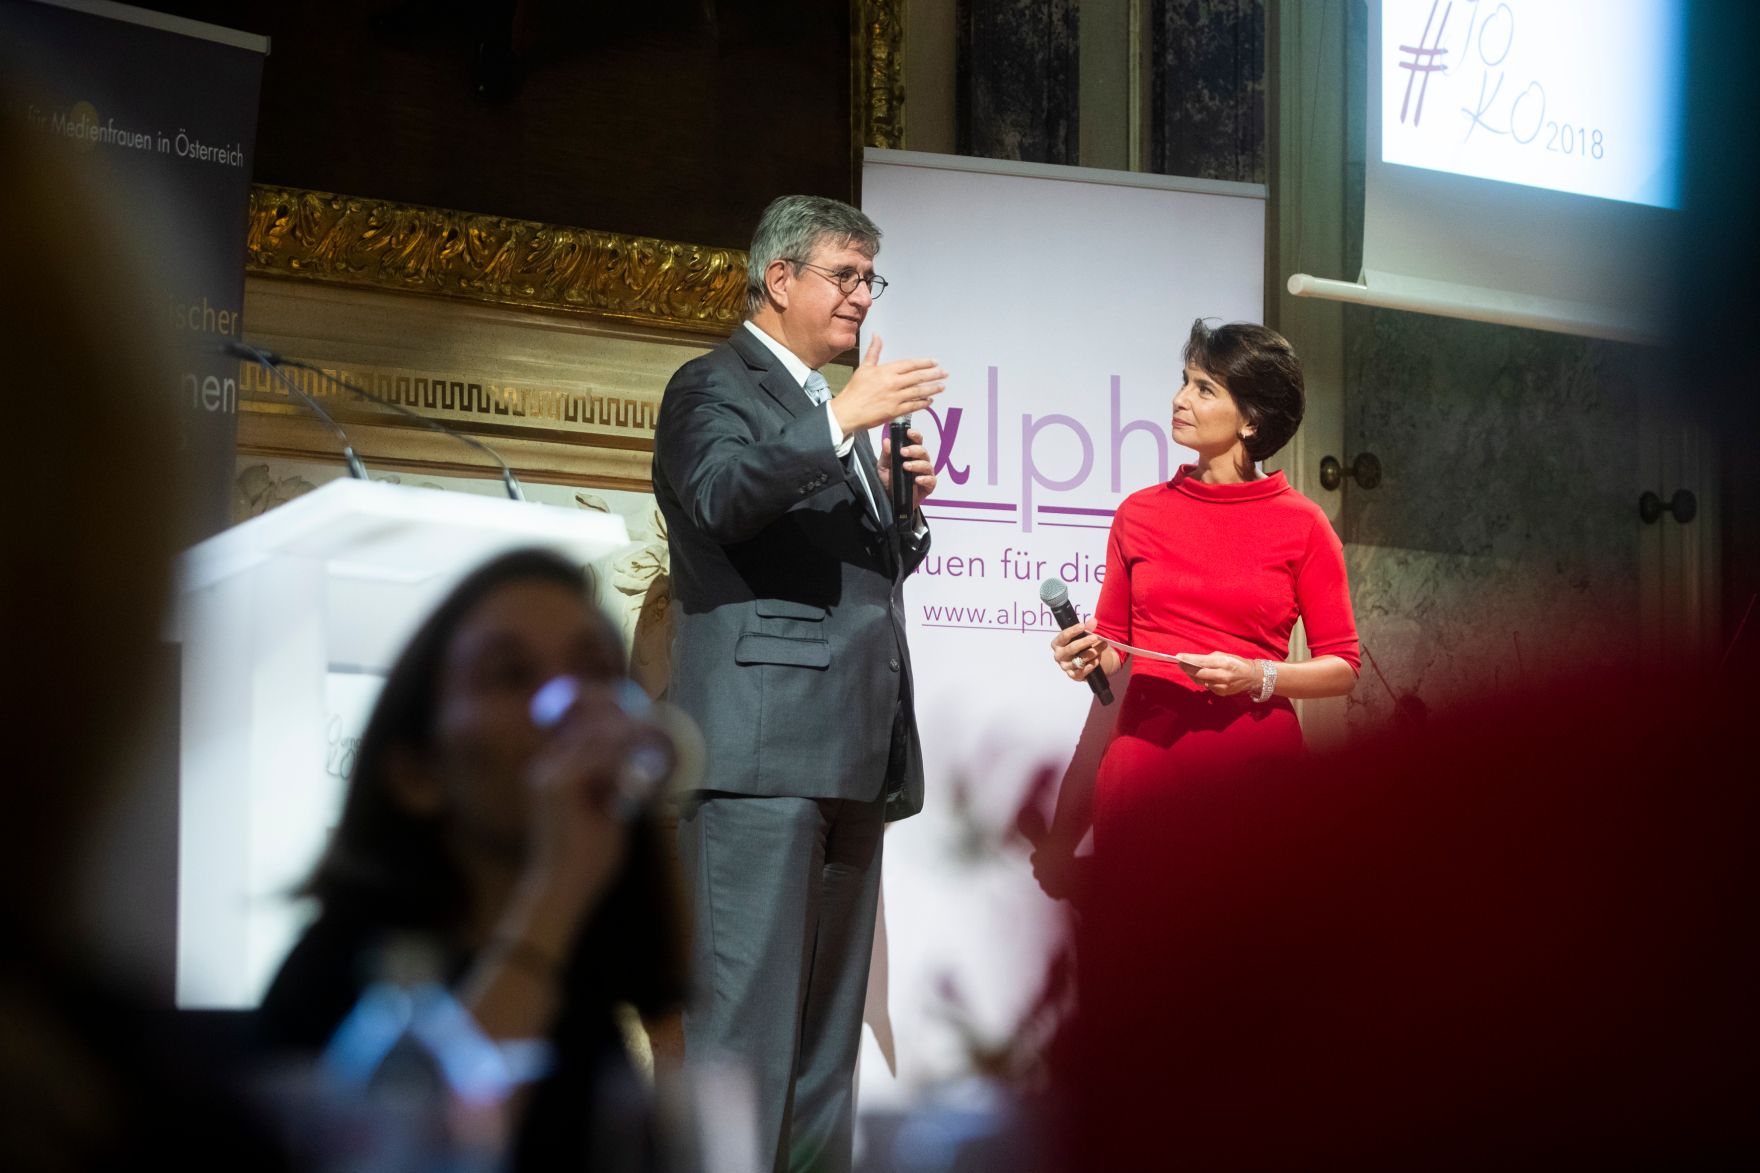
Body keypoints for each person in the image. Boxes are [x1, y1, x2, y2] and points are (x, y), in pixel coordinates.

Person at [650, 193, 943, 1173]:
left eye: (870, 278)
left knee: (824, 1053)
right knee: (742, 1044)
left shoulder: (831, 410)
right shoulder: (711, 386)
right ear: (778, 280)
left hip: (850, 753)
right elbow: (721, 497)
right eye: (844, 275)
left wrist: (906, 500)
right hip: (759, 757)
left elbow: (868, 573)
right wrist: (844, 421)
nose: (862, 296)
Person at [255, 547, 690, 1169]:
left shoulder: (582, 996)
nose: (570, 709)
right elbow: (411, 1157)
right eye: (512, 675)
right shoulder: (342, 977)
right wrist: (558, 889)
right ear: (416, 772)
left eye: (596, 672)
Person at [1037, 318, 1358, 887]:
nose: (1179, 400)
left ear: (1251, 419)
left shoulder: (1303, 525)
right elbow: (1112, 648)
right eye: (1184, 381)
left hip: (1256, 778)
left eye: (1204, 388)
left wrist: (1257, 675)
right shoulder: (1140, 513)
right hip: (1143, 772)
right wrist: (1085, 654)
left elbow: (1341, 668)